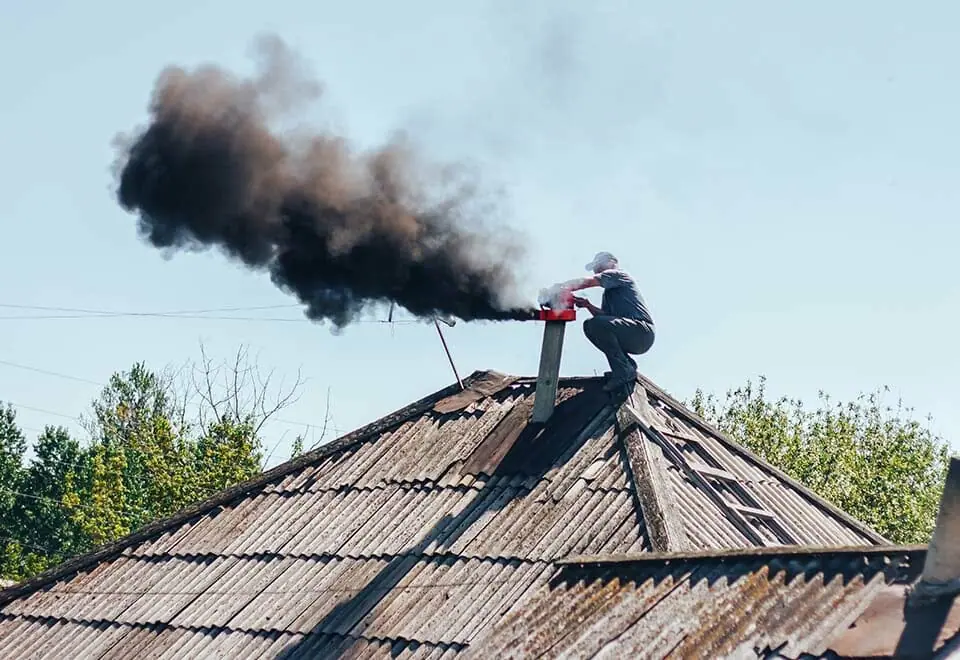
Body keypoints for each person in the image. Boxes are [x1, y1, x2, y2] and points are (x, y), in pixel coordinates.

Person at [565, 251, 655, 394]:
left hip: (641, 331)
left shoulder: (619, 275)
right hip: (633, 333)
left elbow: (589, 281)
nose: (596, 270)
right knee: (591, 325)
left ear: (611, 262)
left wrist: (562, 287)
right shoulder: (608, 293)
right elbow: (606, 317)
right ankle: (626, 366)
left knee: (595, 324)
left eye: (598, 265)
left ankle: (623, 370)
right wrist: (588, 305)